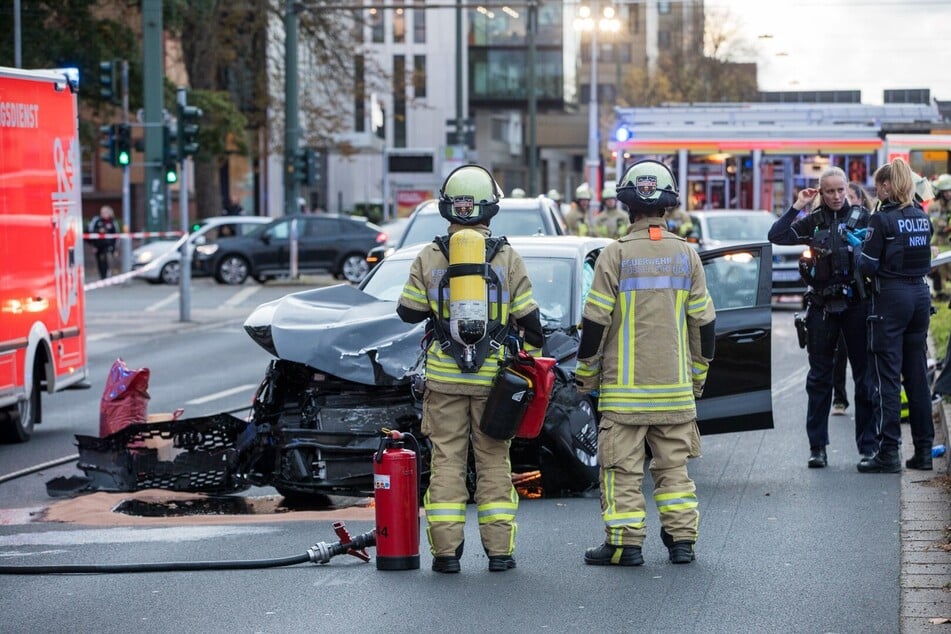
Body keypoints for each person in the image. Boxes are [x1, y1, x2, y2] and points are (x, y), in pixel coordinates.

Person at [396, 164, 544, 573]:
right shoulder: (508, 257)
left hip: (443, 380)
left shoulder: (429, 256)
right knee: (494, 460)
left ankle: (446, 554)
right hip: (493, 381)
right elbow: (531, 322)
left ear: (447, 207)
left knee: (446, 460)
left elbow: (407, 312)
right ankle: (499, 553)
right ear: (490, 207)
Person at [576, 160, 716, 566]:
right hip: (674, 393)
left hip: (624, 397)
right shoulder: (687, 256)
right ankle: (682, 542)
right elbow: (704, 324)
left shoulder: (613, 256)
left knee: (622, 472)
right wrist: (697, 377)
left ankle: (625, 545)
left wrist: (586, 376)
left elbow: (595, 322)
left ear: (627, 206)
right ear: (668, 206)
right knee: (674, 473)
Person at [768, 167, 876, 468]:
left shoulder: (862, 219)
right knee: (818, 381)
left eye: (841, 190)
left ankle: (868, 448)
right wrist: (797, 206)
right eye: (830, 191)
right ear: (820, 191)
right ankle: (818, 448)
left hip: (856, 307)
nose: (837, 196)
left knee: (864, 380)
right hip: (822, 309)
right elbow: (775, 234)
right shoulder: (813, 221)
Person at [855, 158, 934, 472]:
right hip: (919, 296)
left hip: (890, 299)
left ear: (889, 185)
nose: (876, 190)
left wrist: (861, 249)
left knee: (887, 378)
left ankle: (888, 453)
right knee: (916, 379)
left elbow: (867, 265)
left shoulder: (882, 220)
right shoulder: (920, 216)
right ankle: (924, 452)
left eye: (879, 185)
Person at [831, 182, 876, 415]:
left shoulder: (868, 221)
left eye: (848, 196)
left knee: (862, 356)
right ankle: (839, 398)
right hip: (839, 298)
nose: (842, 200)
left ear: (858, 200)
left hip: (860, 296)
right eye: (838, 194)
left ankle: (866, 404)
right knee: (839, 351)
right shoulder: (832, 223)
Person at [927, 174, 951, 298]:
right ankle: (939, 293)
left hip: (948, 243)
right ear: (940, 192)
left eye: (950, 191)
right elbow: (936, 225)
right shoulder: (934, 207)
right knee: (939, 269)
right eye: (946, 191)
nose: (949, 194)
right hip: (938, 243)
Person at [88, 205, 119, 280]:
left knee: (108, 258)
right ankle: (102, 276)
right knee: (101, 261)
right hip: (99, 246)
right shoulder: (97, 221)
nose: (103, 214)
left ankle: (109, 274)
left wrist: (116, 247)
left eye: (105, 212)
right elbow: (91, 233)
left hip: (109, 245)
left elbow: (116, 235)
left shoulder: (112, 222)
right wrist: (93, 245)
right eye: (102, 212)